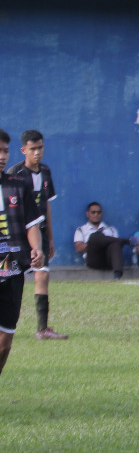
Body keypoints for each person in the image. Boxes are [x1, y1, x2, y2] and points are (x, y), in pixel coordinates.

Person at [6, 130, 66, 340]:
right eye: (32, 149)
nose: (37, 152)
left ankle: (42, 329)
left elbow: (46, 206)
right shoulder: (15, 174)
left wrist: (49, 236)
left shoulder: (46, 171)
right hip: (15, 238)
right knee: (10, 281)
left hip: (38, 236)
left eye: (40, 148)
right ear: (23, 150)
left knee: (42, 274)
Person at [0, 129, 45, 377]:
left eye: (5, 151)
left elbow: (31, 225)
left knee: (5, 344)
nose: (2, 156)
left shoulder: (18, 187)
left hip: (12, 270)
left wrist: (36, 247)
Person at [73, 202, 129, 280]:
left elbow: (118, 246)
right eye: (93, 212)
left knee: (115, 244)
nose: (96, 215)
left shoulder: (111, 229)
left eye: (98, 212)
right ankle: (127, 241)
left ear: (101, 214)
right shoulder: (81, 230)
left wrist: (105, 241)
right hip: (93, 260)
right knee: (95, 237)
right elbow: (78, 248)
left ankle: (117, 276)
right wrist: (95, 242)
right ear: (87, 214)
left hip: (109, 259)